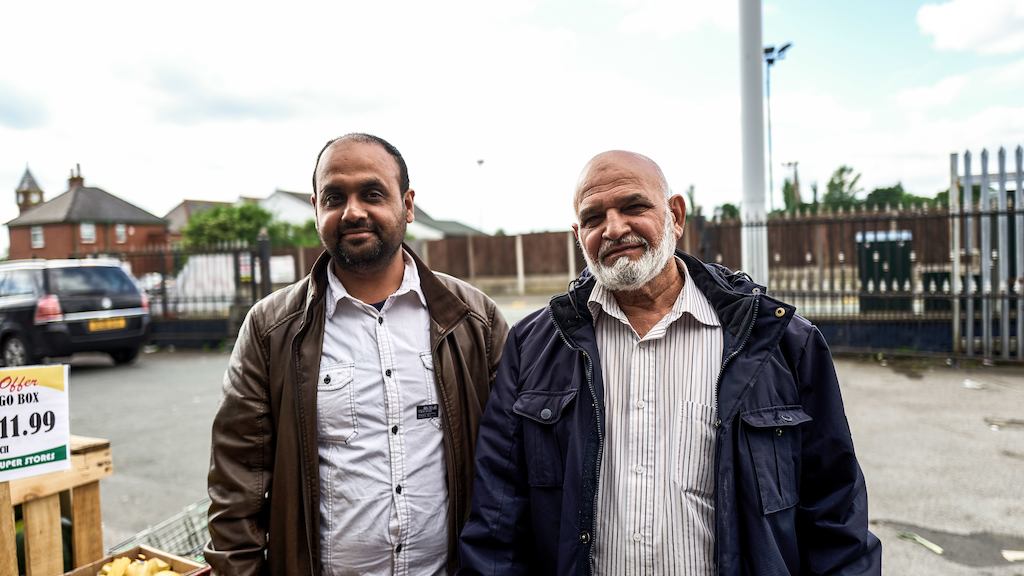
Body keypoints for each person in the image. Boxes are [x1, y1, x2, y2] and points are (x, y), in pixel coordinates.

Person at [459, 150, 881, 575]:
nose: (614, 228)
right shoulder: (533, 346)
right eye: (593, 218)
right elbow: (499, 518)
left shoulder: (779, 343)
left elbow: (835, 509)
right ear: (578, 234)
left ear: (675, 215)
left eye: (633, 207)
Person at [206, 133, 509, 575]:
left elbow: (513, 466)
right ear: (316, 209)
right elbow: (237, 486)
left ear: (407, 205)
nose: (352, 212)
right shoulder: (270, 329)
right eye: (334, 197)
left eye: (372, 193)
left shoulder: (472, 319)